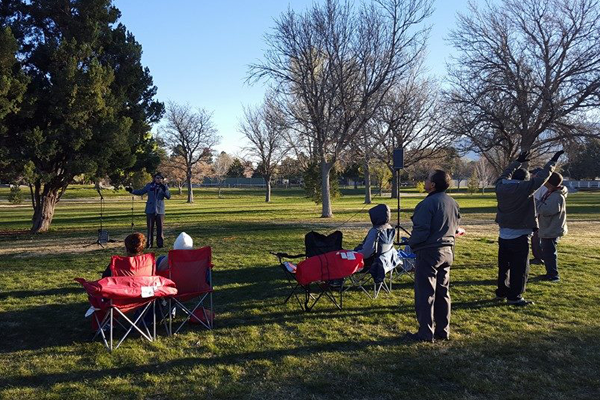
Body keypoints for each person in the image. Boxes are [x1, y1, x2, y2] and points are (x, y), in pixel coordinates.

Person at [494, 150, 563, 306]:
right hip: (520, 234)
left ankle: (502, 291)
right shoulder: (525, 188)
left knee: (504, 266)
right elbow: (544, 176)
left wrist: (516, 162)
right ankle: (515, 296)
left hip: (503, 234)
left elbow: (504, 175)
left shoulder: (500, 186)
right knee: (519, 268)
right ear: (525, 180)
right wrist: (553, 160)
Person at [405, 170, 460, 343]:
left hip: (429, 252)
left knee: (425, 293)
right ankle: (443, 331)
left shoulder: (426, 204)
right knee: (443, 292)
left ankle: (425, 332)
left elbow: (421, 231)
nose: (425, 181)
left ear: (433, 185)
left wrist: (412, 244)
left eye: (427, 179)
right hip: (447, 251)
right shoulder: (453, 202)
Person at [354, 204, 399, 284]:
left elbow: (366, 253)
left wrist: (355, 254)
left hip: (371, 262)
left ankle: (336, 282)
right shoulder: (390, 229)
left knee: (343, 257)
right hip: (385, 260)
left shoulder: (375, 231)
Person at [537, 172, 568, 282]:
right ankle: (550, 273)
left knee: (549, 253)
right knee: (548, 252)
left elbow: (547, 210)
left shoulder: (556, 196)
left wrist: (537, 203)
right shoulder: (553, 193)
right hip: (548, 227)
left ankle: (553, 275)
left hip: (551, 229)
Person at [126, 172, 171, 248]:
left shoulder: (164, 187)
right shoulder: (149, 186)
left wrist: (165, 189)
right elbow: (141, 192)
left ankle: (160, 244)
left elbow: (168, 196)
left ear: (162, 180)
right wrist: (132, 191)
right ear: (154, 178)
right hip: (150, 209)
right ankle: (149, 244)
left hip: (160, 210)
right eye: (157, 178)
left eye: (160, 178)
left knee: (160, 228)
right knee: (150, 228)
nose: (158, 179)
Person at [529, 168, 548, 265]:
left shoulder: (540, 187)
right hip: (542, 214)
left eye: (533, 175)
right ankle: (541, 256)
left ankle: (539, 257)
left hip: (538, 214)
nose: (531, 176)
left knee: (536, 238)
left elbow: (534, 201)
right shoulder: (546, 186)